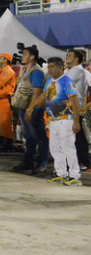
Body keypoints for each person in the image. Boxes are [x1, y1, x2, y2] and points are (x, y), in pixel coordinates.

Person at [41, 57, 82, 185]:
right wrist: (32, 107)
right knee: (54, 148)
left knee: (68, 148)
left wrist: (76, 121)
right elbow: (44, 96)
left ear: (61, 68)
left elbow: (74, 101)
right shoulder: (49, 81)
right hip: (53, 120)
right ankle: (61, 173)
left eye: (52, 67)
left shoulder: (66, 81)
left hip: (65, 120)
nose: (50, 69)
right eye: (49, 67)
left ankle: (75, 176)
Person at [12, 45, 48, 174]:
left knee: (39, 136)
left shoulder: (36, 71)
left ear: (32, 57)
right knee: (29, 137)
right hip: (25, 108)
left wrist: (31, 109)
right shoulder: (27, 70)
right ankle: (28, 162)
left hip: (33, 109)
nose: (22, 56)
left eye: (25, 54)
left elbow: (37, 91)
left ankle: (42, 163)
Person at [64, 48, 90, 168]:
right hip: (66, 108)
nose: (66, 58)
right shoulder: (68, 71)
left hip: (75, 108)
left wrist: (86, 106)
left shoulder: (82, 72)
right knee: (73, 136)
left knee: (77, 136)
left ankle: (82, 161)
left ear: (77, 59)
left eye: (70, 56)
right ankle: (79, 161)